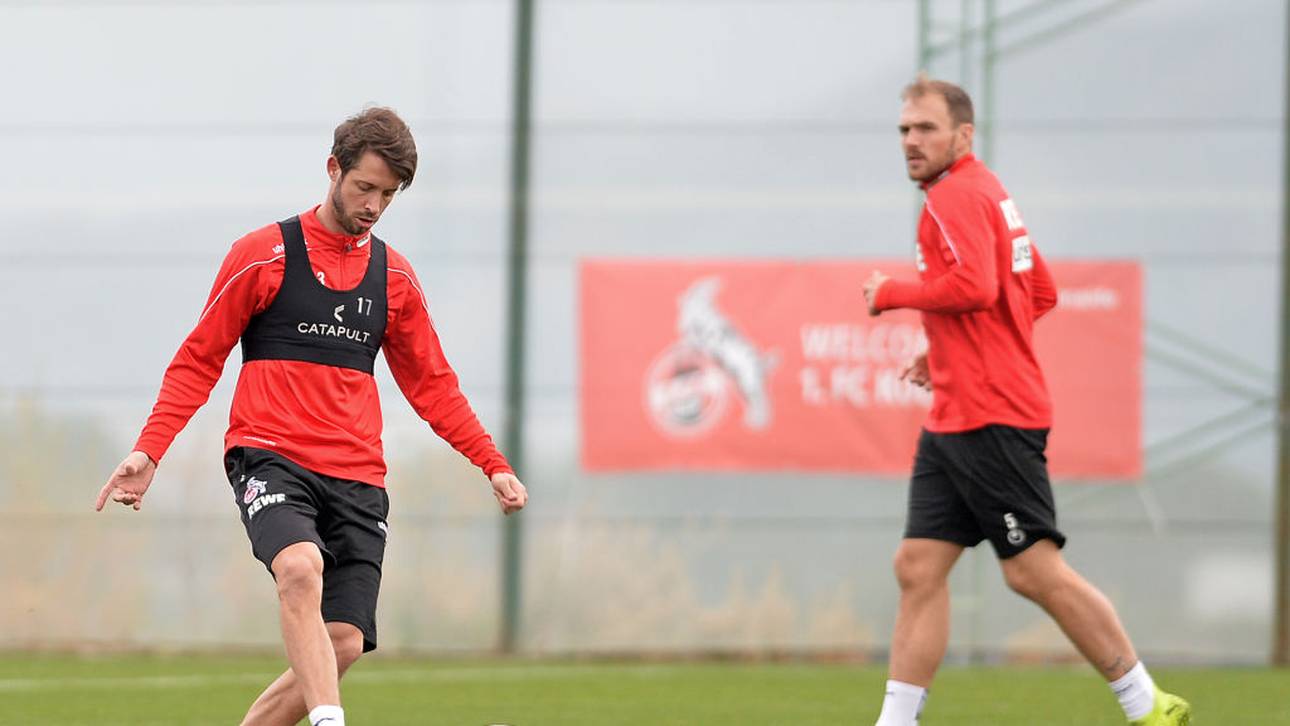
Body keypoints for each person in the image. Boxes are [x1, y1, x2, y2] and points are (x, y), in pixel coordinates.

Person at [94, 107, 528, 726]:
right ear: (333, 169)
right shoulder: (263, 254)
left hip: (358, 476)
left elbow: (433, 385)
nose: (375, 204)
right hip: (269, 455)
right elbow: (198, 360)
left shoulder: (395, 278)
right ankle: (330, 720)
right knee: (299, 567)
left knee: (344, 640)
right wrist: (149, 449)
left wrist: (491, 463)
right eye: (364, 187)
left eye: (389, 194)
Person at [861, 75, 1189, 726]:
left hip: (992, 415)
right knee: (918, 566)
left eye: (925, 128)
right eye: (903, 129)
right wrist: (948, 347)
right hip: (957, 411)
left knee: (1033, 572)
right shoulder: (986, 191)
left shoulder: (953, 197)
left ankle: (1148, 704)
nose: (910, 140)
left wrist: (893, 292)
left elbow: (980, 285)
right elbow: (1038, 291)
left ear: (963, 134)